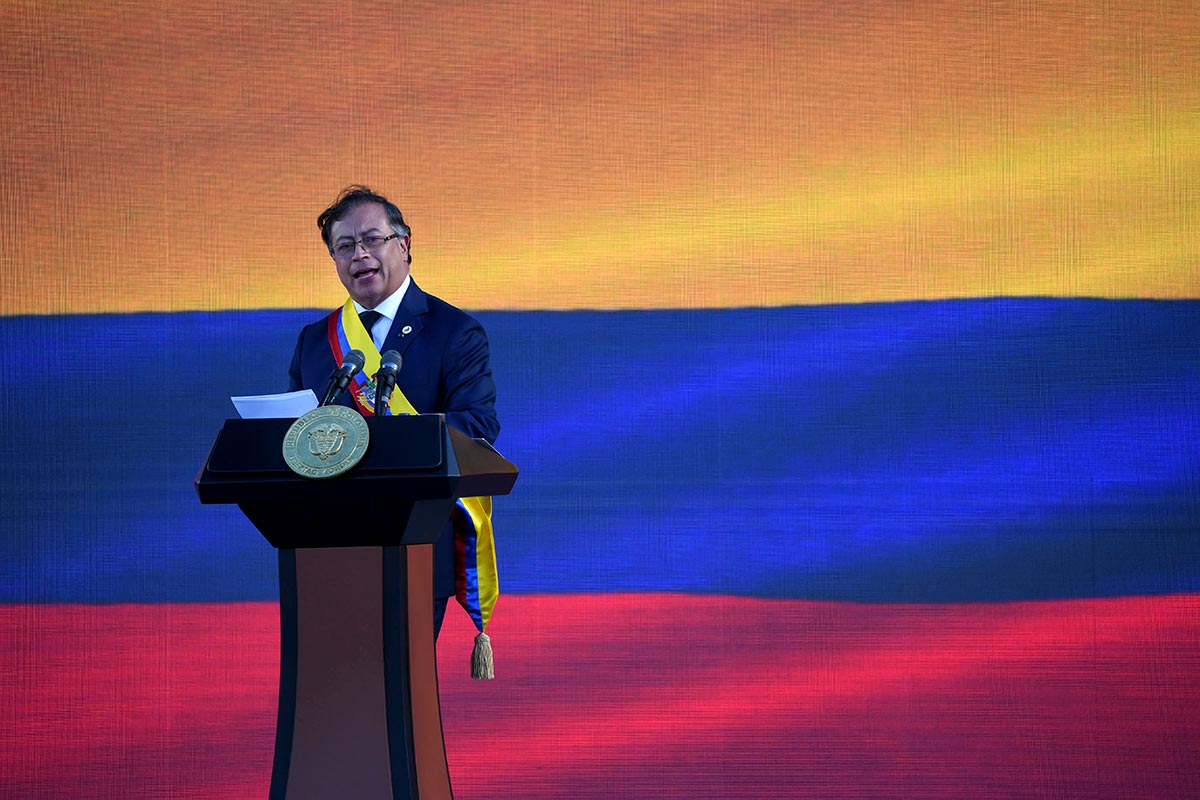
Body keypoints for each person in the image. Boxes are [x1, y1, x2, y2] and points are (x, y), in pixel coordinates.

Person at [288, 185, 500, 643]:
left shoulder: (454, 331)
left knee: (399, 689)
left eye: (371, 240)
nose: (359, 254)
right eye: (344, 247)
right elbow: (297, 432)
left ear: (403, 245)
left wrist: (390, 442)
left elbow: (478, 426)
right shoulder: (314, 340)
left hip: (417, 542)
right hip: (329, 551)